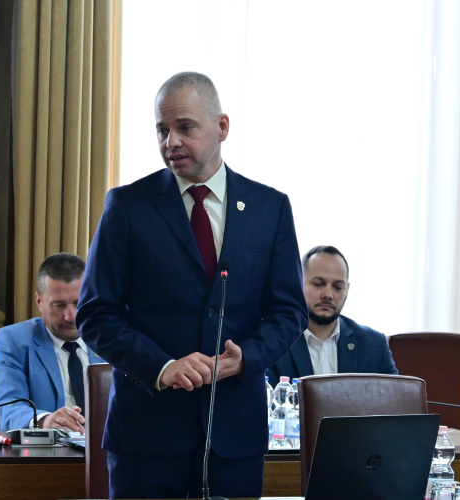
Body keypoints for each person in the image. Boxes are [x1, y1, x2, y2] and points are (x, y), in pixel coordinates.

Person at [76, 71, 308, 499]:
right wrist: (163, 367)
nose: (171, 142)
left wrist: (246, 358)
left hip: (234, 436)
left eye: (185, 127)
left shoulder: (269, 208)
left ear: (222, 126)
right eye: (162, 130)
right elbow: (94, 314)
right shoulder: (127, 206)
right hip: (147, 436)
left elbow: (290, 311)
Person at [0, 252, 104, 432]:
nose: (71, 316)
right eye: (59, 305)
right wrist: (43, 420)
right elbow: (4, 407)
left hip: (107, 446)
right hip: (49, 447)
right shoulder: (15, 341)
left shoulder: (108, 337)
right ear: (39, 301)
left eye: (78, 303)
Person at [267, 245, 397, 387]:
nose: (328, 294)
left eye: (337, 287)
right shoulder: (273, 341)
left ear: (347, 290)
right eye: (318, 284)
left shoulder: (374, 344)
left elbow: (395, 397)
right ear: (299, 283)